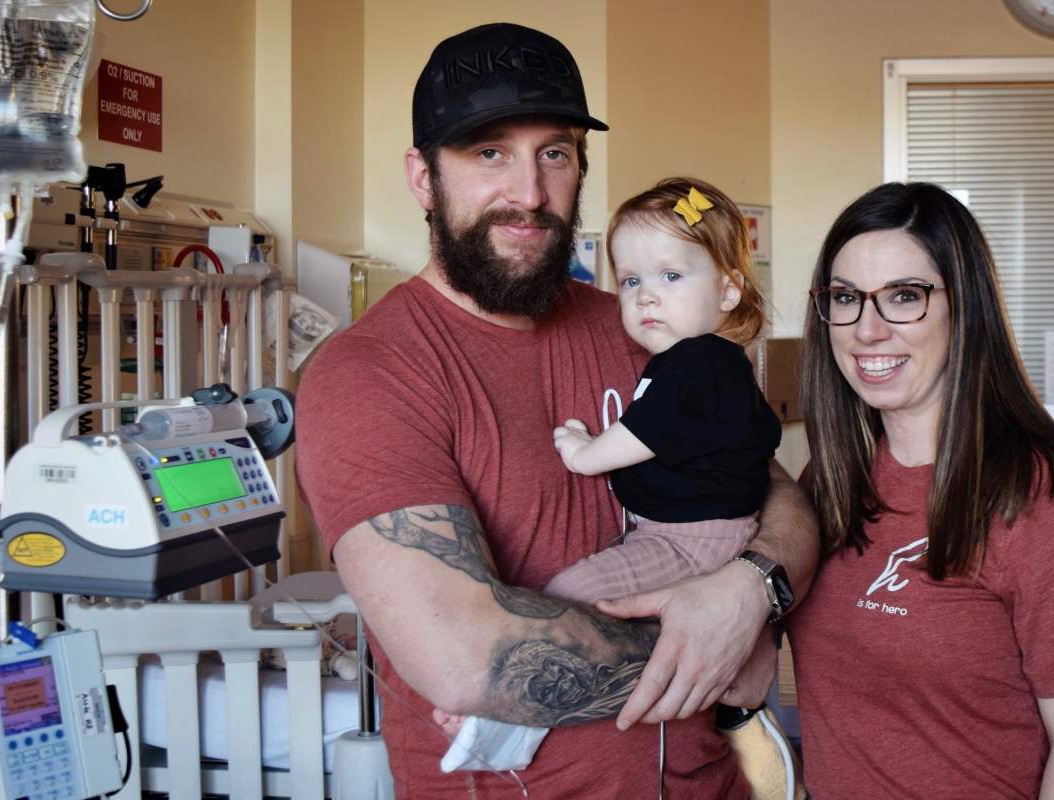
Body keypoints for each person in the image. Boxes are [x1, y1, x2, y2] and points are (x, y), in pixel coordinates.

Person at [294, 22, 818, 799]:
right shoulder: (370, 373)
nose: (530, 194)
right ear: (421, 176)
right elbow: (467, 659)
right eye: (488, 153)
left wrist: (751, 593)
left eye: (556, 154)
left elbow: (781, 499)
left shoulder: (645, 322)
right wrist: (716, 651)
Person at [786, 181, 1054, 799]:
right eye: (845, 298)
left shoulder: (1043, 495)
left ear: (962, 306)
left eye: (904, 297)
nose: (867, 330)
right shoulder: (832, 478)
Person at [435, 177, 785, 773]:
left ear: (728, 289)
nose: (647, 297)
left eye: (671, 277)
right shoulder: (693, 361)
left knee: (571, 597)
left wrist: (585, 452)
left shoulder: (699, 361)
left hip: (688, 538)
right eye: (631, 281)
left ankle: (509, 722)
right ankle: (737, 710)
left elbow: (649, 431)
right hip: (692, 534)